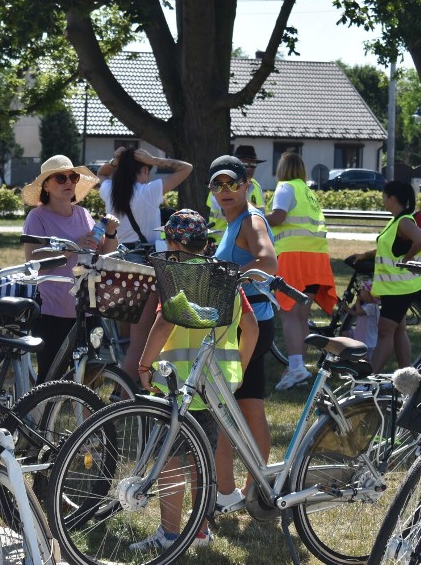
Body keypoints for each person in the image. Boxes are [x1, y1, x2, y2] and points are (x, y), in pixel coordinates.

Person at [133, 209, 257, 550]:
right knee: (203, 458)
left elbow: (164, 325)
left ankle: (171, 534)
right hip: (213, 387)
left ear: (172, 241)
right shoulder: (225, 277)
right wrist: (239, 370)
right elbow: (251, 327)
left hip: (179, 386)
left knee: (172, 459)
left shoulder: (177, 277)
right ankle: (200, 531)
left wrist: (144, 366)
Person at [210, 154, 278, 507]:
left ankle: (226, 493)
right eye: (218, 184)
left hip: (248, 325)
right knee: (249, 408)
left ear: (247, 185)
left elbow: (268, 262)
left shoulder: (251, 221)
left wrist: (229, 275)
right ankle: (253, 491)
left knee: (226, 407)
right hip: (252, 322)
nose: (226, 190)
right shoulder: (234, 221)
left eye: (232, 183)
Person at [96, 147, 193, 384]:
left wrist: (115, 160)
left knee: (126, 338)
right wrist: (155, 159)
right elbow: (186, 168)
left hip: (119, 265)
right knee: (140, 342)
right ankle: (123, 397)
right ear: (145, 170)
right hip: (144, 267)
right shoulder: (149, 192)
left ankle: (122, 384)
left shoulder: (111, 191)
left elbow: (101, 173)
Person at [21, 155, 120, 381]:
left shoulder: (83, 214)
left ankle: (88, 416)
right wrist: (72, 248)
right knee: (50, 375)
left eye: (72, 177)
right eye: (60, 178)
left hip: (87, 305)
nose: (68, 182)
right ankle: (41, 415)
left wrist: (111, 233)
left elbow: (103, 253)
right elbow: (33, 259)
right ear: (46, 185)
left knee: (89, 374)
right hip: (53, 309)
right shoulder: (37, 217)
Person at [266, 152, 337, 390]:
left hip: (294, 256)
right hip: (316, 257)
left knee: (288, 313)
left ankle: (296, 368)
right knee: (301, 316)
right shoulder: (308, 192)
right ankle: (299, 366)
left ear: (282, 169)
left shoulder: (285, 187)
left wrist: (255, 217)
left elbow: (278, 217)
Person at [348, 180, 421, 373]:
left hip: (400, 289)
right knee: (398, 330)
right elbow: (389, 247)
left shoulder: (404, 221)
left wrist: (407, 259)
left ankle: (370, 378)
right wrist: (366, 255)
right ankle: (407, 377)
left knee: (385, 331)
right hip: (395, 288)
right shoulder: (397, 221)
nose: (382, 200)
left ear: (392, 198)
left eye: (384, 197)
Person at [207, 145, 266, 243]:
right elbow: (230, 211)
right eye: (245, 165)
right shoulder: (219, 185)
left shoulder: (256, 186)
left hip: (246, 243)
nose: (250, 168)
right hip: (219, 242)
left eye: (253, 165)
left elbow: (262, 216)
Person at [341, 279, 380, 361]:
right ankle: (345, 354)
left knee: (365, 359)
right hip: (360, 334)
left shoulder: (372, 307)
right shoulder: (367, 305)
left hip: (367, 340)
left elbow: (358, 312)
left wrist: (357, 301)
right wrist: (346, 308)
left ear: (369, 295)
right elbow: (355, 313)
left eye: (363, 290)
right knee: (344, 334)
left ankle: (367, 370)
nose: (360, 292)